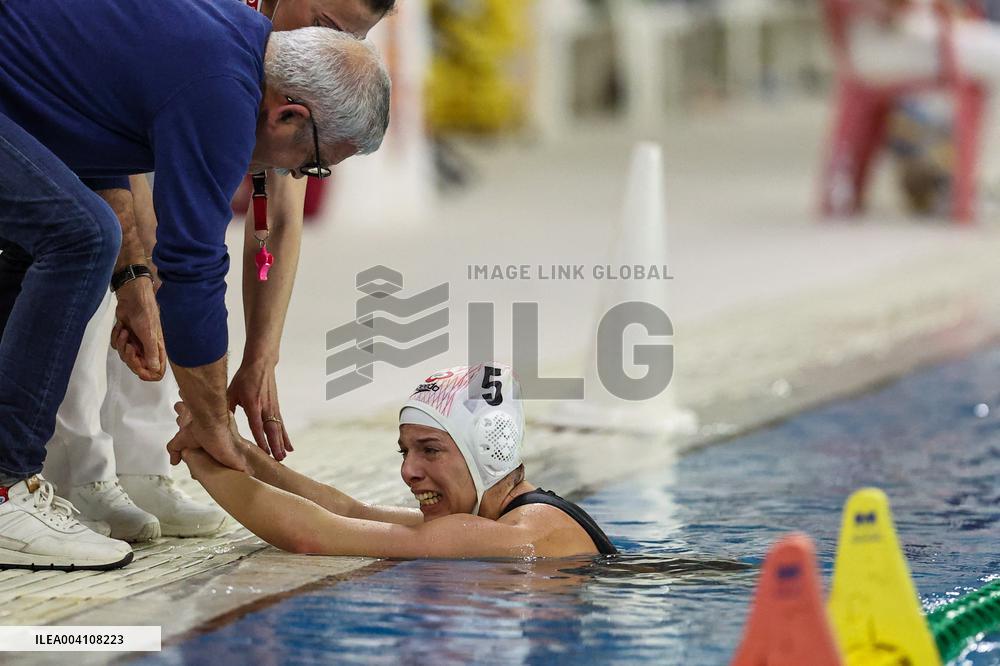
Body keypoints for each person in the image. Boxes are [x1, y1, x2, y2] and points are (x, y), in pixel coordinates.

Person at [0, 0, 390, 571]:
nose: (299, 177)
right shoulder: (223, 86)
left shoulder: (234, 46)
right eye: (313, 164)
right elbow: (193, 266)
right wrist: (212, 423)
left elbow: (88, 125)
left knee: (67, 236)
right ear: (289, 116)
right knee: (80, 238)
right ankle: (7, 489)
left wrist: (132, 280)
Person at [181, 365, 618, 558]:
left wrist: (200, 460)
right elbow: (352, 512)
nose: (409, 471)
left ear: (489, 450)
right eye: (405, 451)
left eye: (430, 450)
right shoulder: (502, 518)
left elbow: (312, 536)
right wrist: (237, 451)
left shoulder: (521, 534)